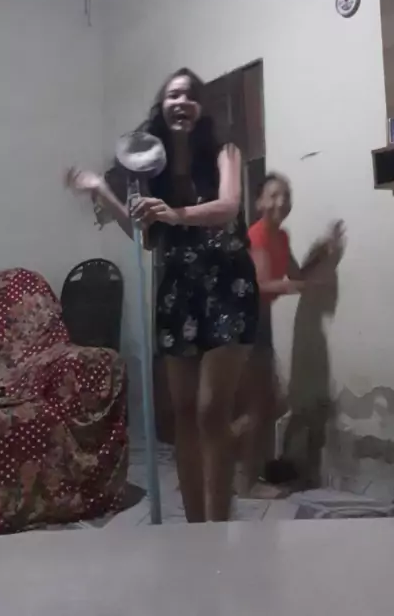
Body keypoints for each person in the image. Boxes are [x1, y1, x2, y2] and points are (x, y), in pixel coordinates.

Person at [65, 68, 259, 523]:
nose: (181, 101)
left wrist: (174, 213)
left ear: (201, 109)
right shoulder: (153, 171)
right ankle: (194, 530)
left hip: (228, 286)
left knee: (212, 410)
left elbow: (229, 207)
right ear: (163, 107)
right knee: (184, 414)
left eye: (190, 95)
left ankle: (219, 526)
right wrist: (103, 190)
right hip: (177, 292)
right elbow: (146, 238)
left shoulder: (225, 153)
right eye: (173, 95)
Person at [233, 172, 345, 494]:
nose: (280, 202)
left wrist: (325, 252)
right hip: (245, 324)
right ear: (259, 202)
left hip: (260, 324)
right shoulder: (256, 236)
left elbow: (298, 274)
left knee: (271, 404)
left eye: (286, 195)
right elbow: (260, 286)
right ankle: (243, 479)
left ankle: (222, 455)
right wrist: (292, 286)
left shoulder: (281, 237)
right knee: (260, 406)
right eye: (272, 195)